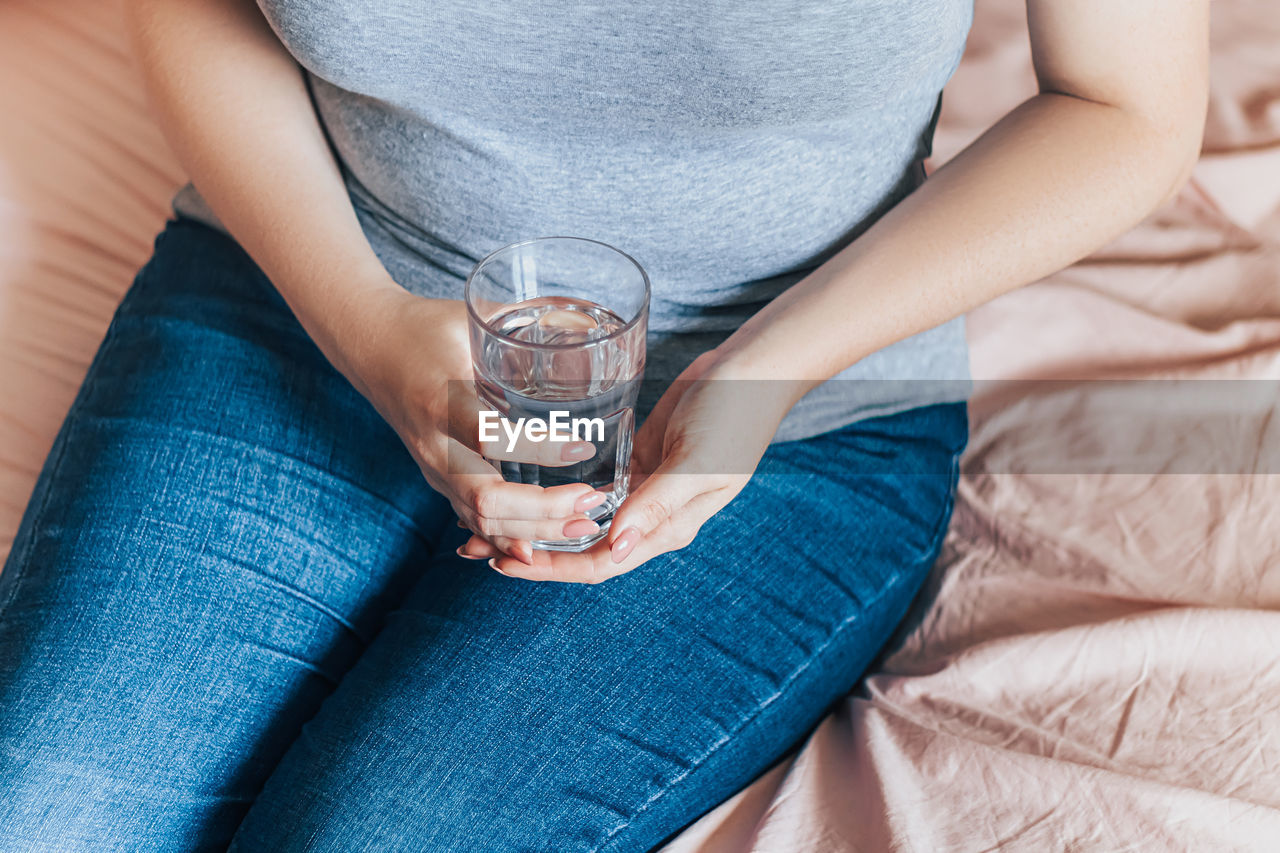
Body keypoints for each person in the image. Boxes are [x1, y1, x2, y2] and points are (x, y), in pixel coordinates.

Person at [0, 0, 1207, 849]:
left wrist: (762, 371)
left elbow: (1122, 106)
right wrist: (364, 325)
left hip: (781, 415)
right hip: (311, 294)